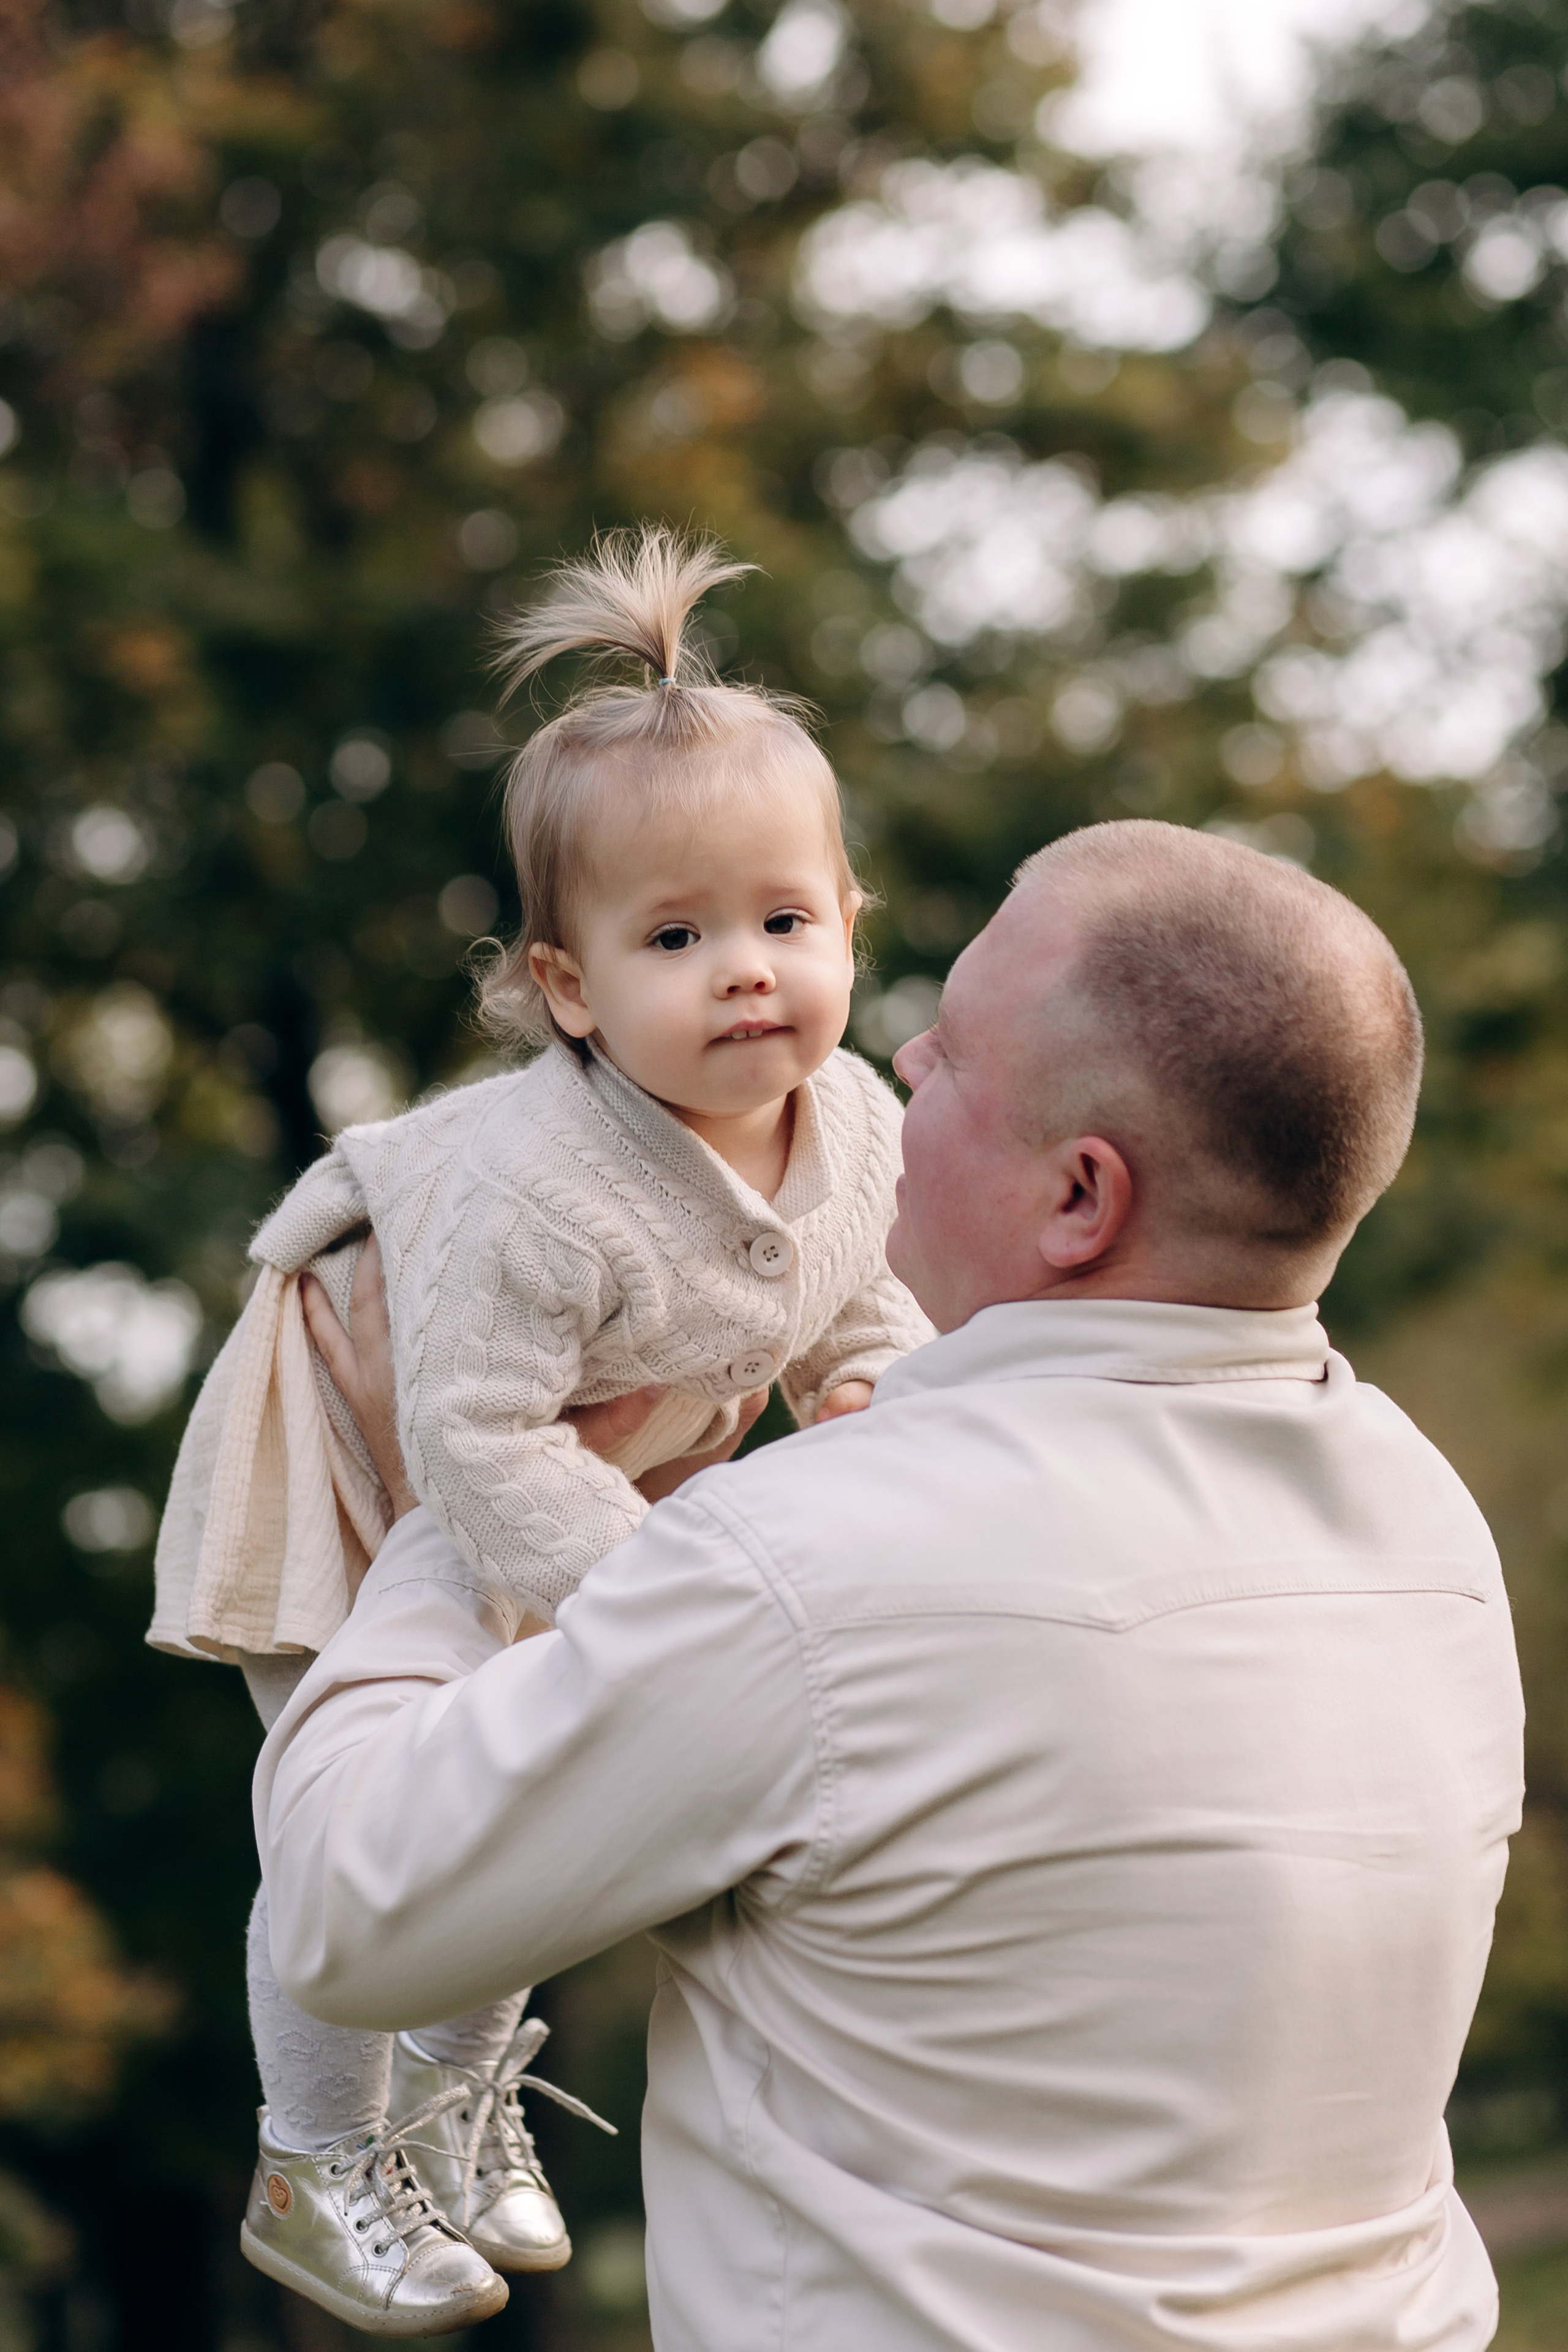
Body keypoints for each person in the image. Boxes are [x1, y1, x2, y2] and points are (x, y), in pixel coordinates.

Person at [259, 818, 1525, 2352]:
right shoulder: (1431, 1536)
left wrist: (452, 1512)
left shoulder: (810, 1564)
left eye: (954, 1056)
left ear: (1080, 1198)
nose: (894, 1060)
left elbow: (350, 1916)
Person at [149, 527, 930, 2334]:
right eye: (676, 936)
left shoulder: (859, 1116)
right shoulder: (542, 1193)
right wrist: (664, 1588)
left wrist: (886, 1411)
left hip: (582, 1475)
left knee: (533, 1803)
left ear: (848, 927)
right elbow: (479, 1433)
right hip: (369, 1454)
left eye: (782, 921)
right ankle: (314, 2155)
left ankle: (446, 2101)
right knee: (360, 1824)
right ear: (567, 987)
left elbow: (852, 1302)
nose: (746, 970)